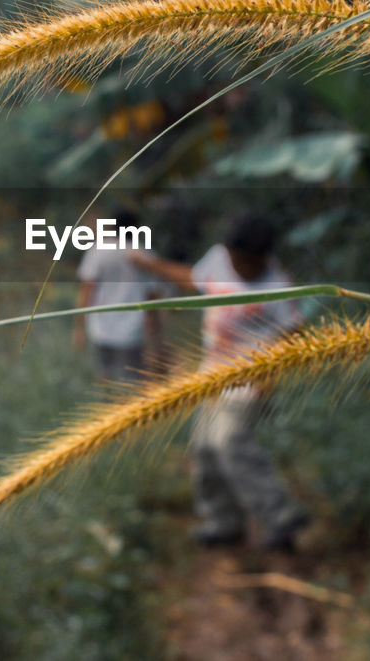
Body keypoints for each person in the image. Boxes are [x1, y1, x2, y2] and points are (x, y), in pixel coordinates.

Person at [132, 211, 310, 550]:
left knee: (230, 443)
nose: (232, 263)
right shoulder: (218, 258)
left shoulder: (278, 287)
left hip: (248, 382)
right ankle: (223, 522)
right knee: (204, 449)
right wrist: (150, 265)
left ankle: (280, 516)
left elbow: (293, 336)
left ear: (260, 258)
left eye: (239, 260)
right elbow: (194, 280)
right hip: (211, 374)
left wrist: (267, 381)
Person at [73, 208, 164, 385]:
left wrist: (79, 327)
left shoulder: (98, 252)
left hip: (101, 329)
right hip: (132, 332)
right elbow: (151, 299)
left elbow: (86, 292)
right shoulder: (145, 255)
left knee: (105, 381)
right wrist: (157, 340)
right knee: (131, 386)